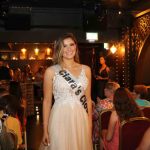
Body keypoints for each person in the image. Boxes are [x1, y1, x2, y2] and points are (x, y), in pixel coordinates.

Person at [42, 33, 93, 150]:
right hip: (59, 118)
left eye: (71, 44)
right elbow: (47, 101)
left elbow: (88, 99)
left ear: (76, 46)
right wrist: (45, 129)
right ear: (59, 49)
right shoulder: (51, 71)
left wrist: (90, 124)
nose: (69, 49)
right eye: (64, 46)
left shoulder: (86, 70)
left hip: (80, 119)